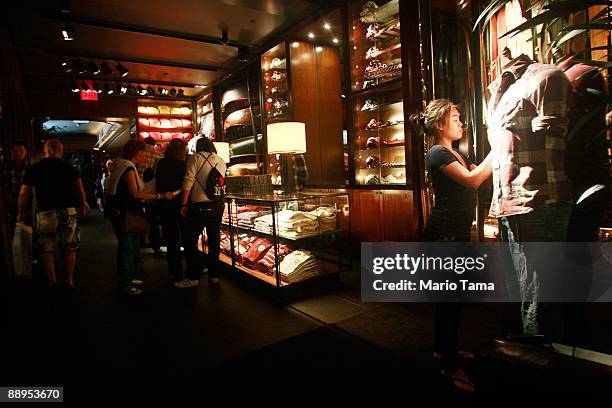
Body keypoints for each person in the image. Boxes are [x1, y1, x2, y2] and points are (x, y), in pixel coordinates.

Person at [487, 54, 571, 340]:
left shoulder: (546, 77)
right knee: (523, 290)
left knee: (540, 294)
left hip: (538, 200)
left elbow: (555, 137)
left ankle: (542, 365)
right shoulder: (501, 88)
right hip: (510, 202)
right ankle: (528, 359)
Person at [413, 99, 492, 393]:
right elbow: (472, 181)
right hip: (443, 236)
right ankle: (449, 365)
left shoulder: (454, 153)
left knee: (451, 301)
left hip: (453, 235)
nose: (461, 122)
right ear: (439, 125)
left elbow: (475, 176)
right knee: (449, 301)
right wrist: (499, 151)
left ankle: (444, 349)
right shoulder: (436, 152)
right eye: (455, 117)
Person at [17, 139, 89, 288]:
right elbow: (80, 190)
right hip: (68, 211)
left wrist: (21, 212)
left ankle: (53, 280)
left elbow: (24, 193)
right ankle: (69, 280)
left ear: (45, 150)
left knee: (46, 247)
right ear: (60, 151)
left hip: (45, 211)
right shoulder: (69, 167)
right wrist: (82, 207)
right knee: (70, 246)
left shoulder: (34, 168)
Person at [105, 140, 173, 296]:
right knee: (127, 247)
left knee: (132, 245)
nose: (145, 155)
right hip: (123, 212)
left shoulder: (121, 165)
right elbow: (135, 193)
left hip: (120, 210)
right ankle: (125, 284)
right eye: (143, 152)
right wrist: (158, 195)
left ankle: (129, 278)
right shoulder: (128, 168)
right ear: (137, 153)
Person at [177, 137, 226, 289]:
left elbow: (188, 181)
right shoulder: (220, 160)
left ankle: (193, 277)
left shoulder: (195, 158)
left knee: (190, 241)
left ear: (197, 147)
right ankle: (214, 276)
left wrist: (184, 203)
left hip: (200, 205)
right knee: (214, 241)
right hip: (218, 205)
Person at [155, 139, 189, 281]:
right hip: (181, 204)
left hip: (164, 204)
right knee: (187, 238)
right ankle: (191, 268)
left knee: (171, 239)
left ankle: (174, 271)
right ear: (180, 150)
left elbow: (158, 183)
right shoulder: (184, 165)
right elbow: (187, 184)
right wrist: (176, 194)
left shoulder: (161, 163)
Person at [137, 137, 163, 255]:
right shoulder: (159, 156)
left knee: (148, 219)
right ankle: (160, 243)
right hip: (157, 192)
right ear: (154, 144)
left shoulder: (139, 155)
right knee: (159, 220)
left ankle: (148, 241)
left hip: (142, 191)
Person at [4, 142, 30, 234]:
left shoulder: (30, 168)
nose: (18, 153)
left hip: (28, 205)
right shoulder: (6, 167)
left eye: (20, 150)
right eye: (15, 151)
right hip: (10, 204)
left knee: (29, 230)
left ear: (25, 152)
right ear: (11, 152)